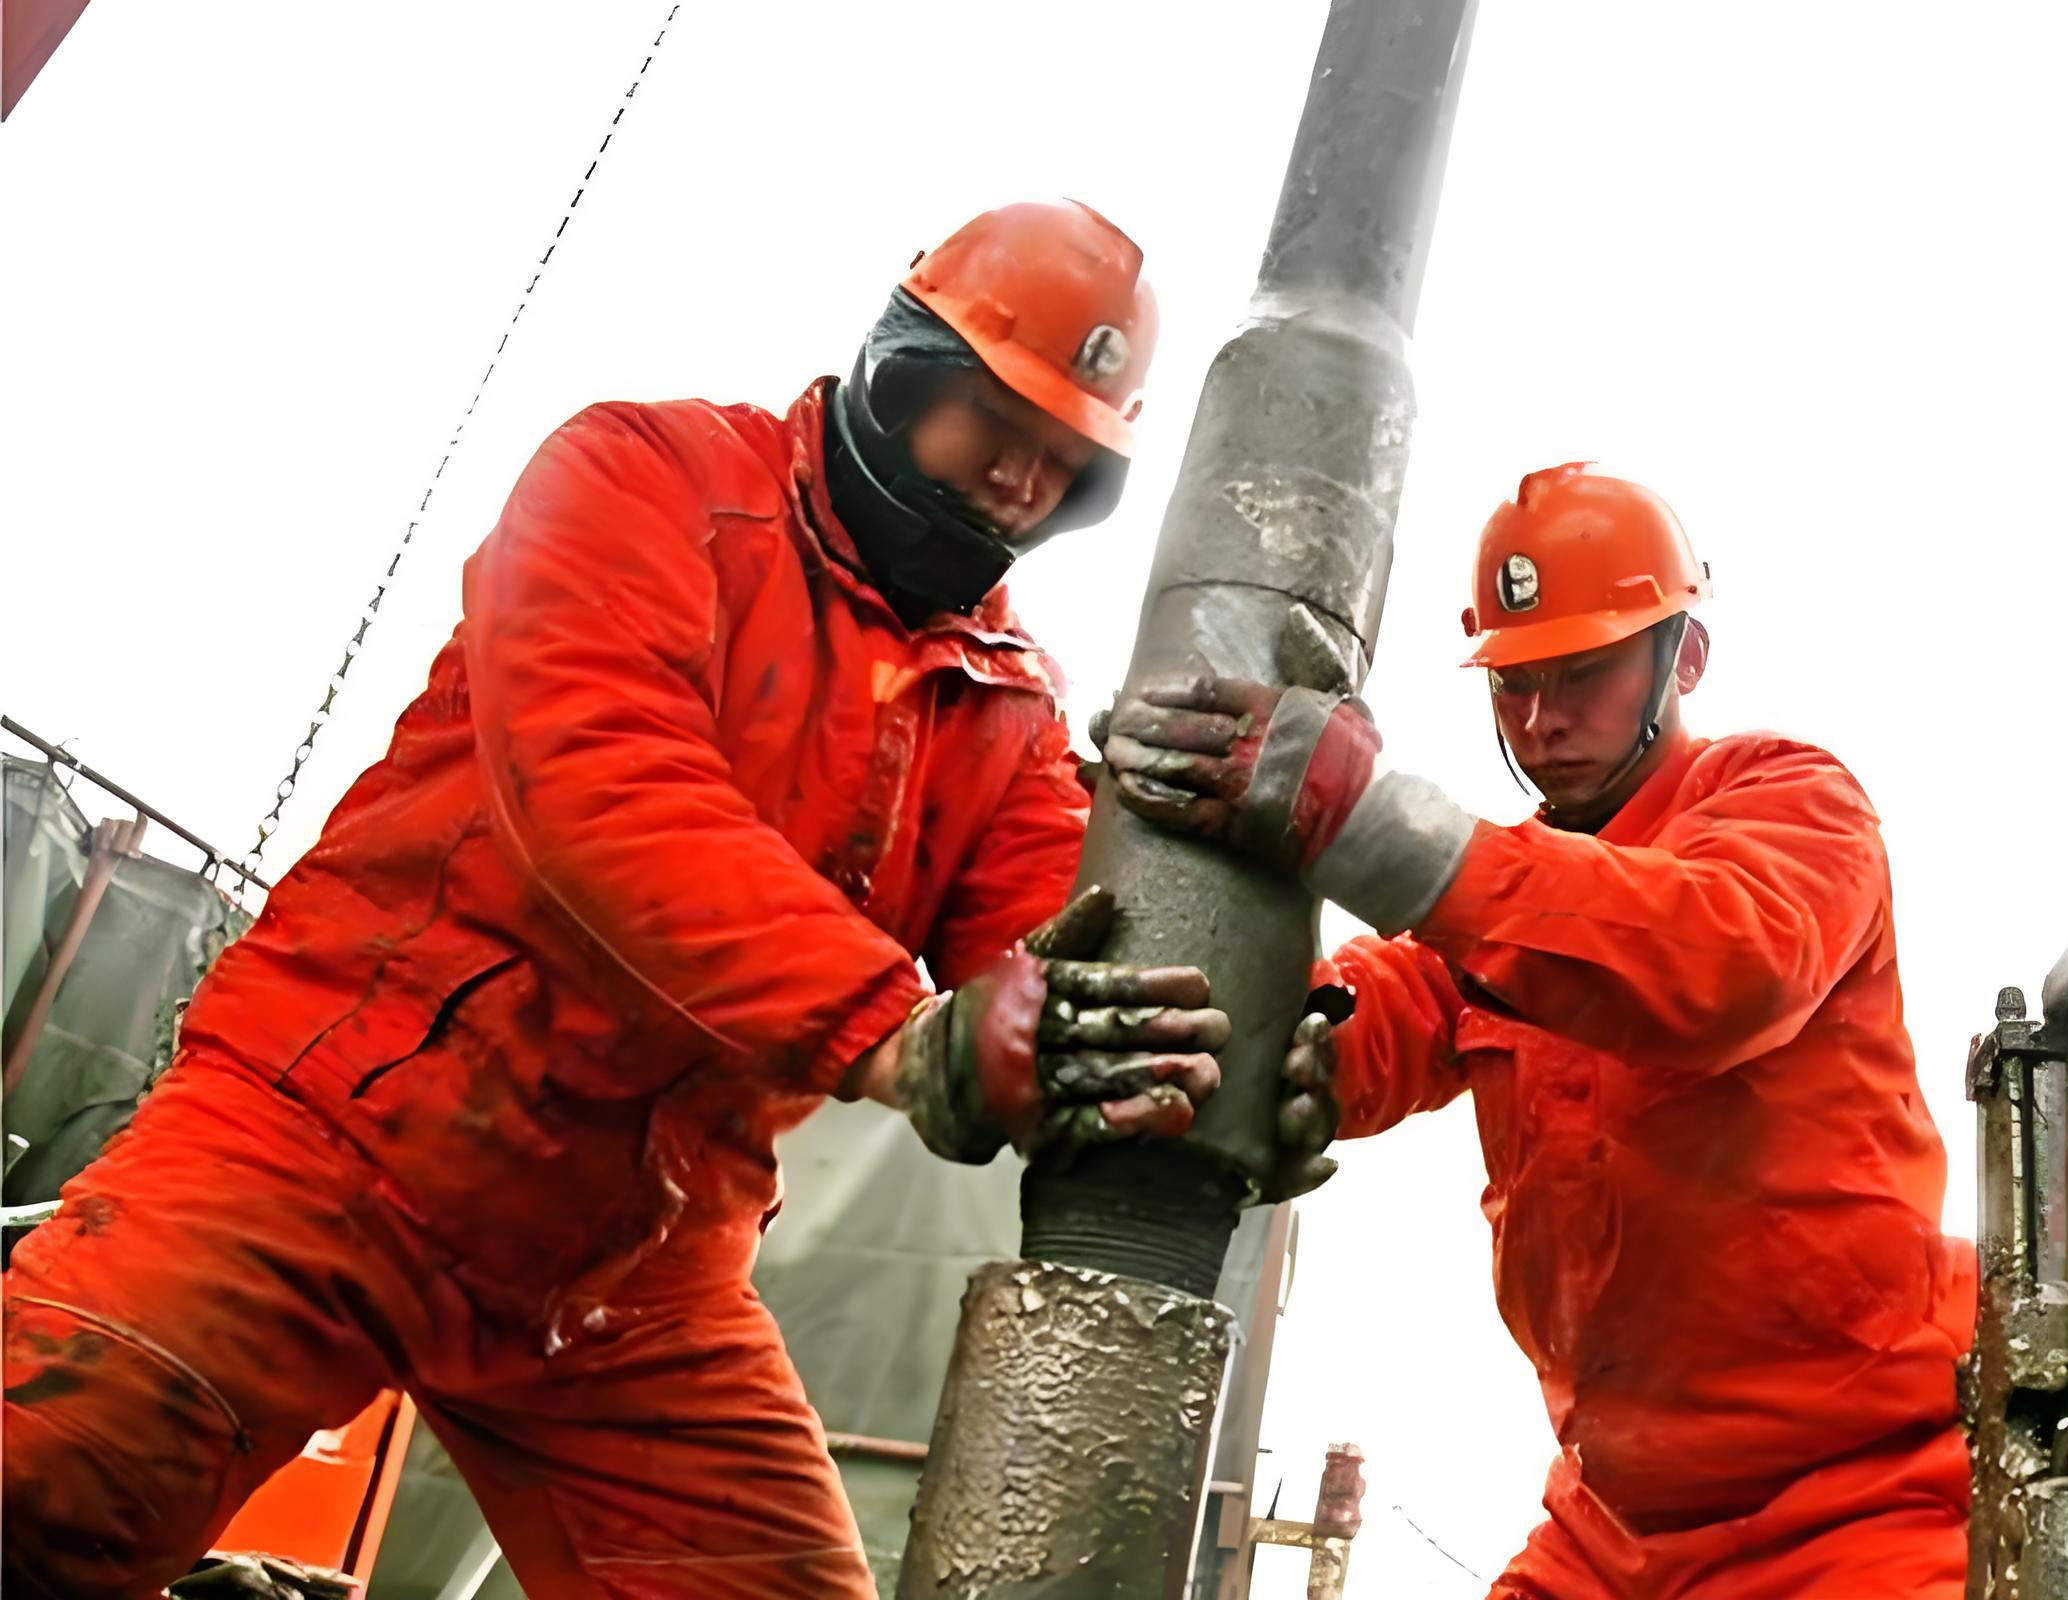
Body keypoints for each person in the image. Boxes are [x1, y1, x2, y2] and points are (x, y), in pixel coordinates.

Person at [2, 201, 1321, 1600]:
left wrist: (1252, 1030)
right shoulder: (647, 480)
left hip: (632, 1273)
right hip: (332, 1143)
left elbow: (1071, 960)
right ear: (903, 369)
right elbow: (602, 779)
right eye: (995, 422)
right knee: (37, 1496)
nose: (1017, 480)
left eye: (1064, 463)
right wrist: (898, 1031)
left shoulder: (1000, 705)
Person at [1097, 462, 1972, 1598]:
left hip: (1863, 1500)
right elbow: (1383, 1007)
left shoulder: (1793, 803)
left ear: (1685, 658)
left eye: (1583, 673)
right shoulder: (1499, 909)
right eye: (1513, 683)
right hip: (1612, 1524)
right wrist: (1238, 1008)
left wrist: (1368, 823)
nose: (1543, 719)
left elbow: (1722, 962)